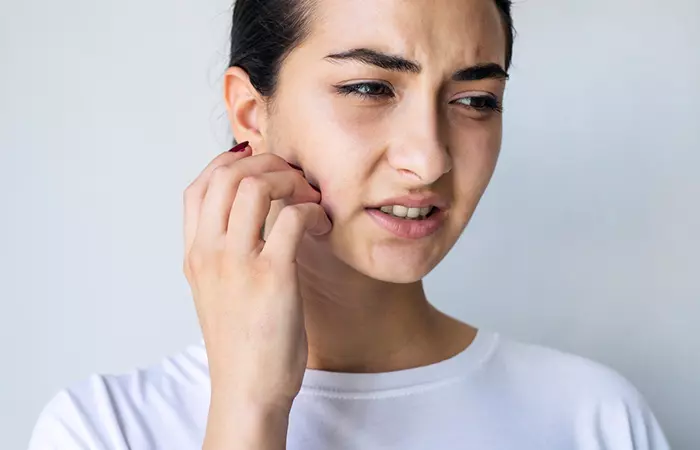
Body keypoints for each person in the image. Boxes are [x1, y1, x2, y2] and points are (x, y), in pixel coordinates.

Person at [29, 0, 671, 449]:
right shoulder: (103, 429)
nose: (429, 159)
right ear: (251, 114)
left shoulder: (593, 418)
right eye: (370, 89)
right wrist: (250, 409)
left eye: (475, 100)